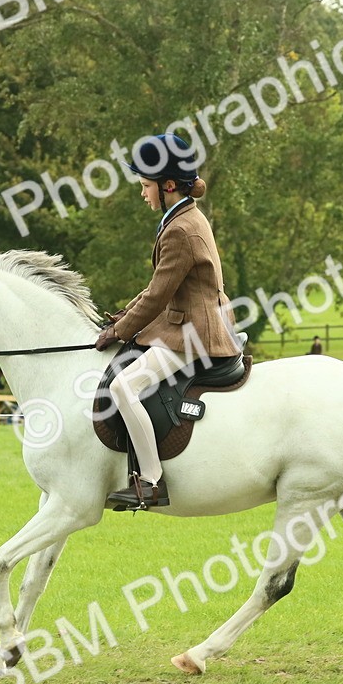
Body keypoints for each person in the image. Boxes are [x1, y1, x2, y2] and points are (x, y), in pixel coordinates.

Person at [94, 133, 240, 509]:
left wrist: (119, 330)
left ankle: (151, 481)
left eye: (146, 185)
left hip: (196, 333)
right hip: (188, 321)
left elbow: (158, 295)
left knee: (124, 388)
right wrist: (122, 318)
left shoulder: (180, 230)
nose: (143, 193)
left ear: (168, 185)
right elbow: (157, 288)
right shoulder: (182, 217)